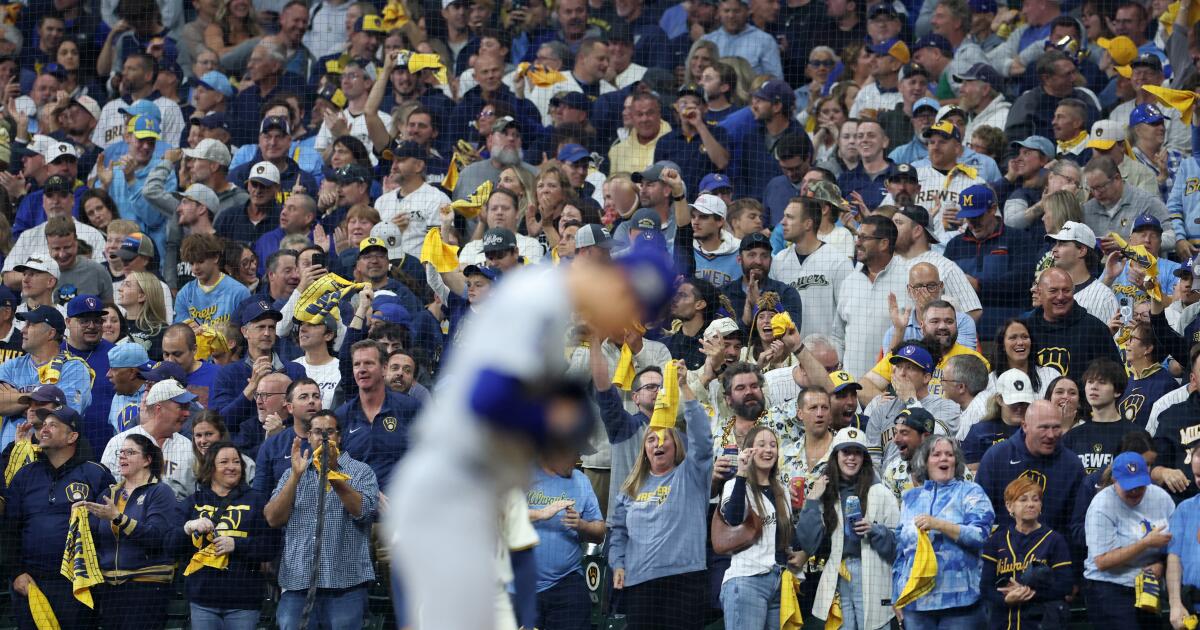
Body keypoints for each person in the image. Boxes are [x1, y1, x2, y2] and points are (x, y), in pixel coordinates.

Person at [608, 360, 711, 629]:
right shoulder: (631, 488)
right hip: (639, 583)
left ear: (676, 445)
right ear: (644, 450)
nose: (659, 443)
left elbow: (702, 439)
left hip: (684, 580)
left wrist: (684, 387)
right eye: (651, 439)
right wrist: (618, 564)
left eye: (665, 438)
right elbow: (618, 532)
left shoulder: (692, 474)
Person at [0, 406, 114, 628]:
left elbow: (109, 526)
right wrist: (15, 573)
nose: (44, 429)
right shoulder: (25, 475)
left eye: (53, 425)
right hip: (31, 582)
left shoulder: (95, 474)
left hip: (78, 584)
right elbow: (9, 530)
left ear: (72, 436)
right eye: (43, 425)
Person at [264, 409, 379, 629]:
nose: (323, 438)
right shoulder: (292, 473)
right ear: (309, 436)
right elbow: (272, 518)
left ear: (339, 436)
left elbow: (362, 510)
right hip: (298, 584)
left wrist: (333, 473)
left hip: (346, 586)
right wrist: (295, 477)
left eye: (329, 432)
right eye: (317, 431)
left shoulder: (361, 472)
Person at [796, 427, 899, 630]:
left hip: (872, 572)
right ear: (835, 456)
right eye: (846, 452)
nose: (851, 458)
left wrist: (875, 530)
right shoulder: (825, 492)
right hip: (837, 574)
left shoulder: (881, 493)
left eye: (857, 452)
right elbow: (808, 542)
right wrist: (812, 500)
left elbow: (899, 546)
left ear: (864, 458)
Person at [172, 441, 278, 630]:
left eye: (236, 462)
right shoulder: (194, 502)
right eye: (224, 462)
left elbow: (270, 546)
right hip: (202, 601)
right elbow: (169, 545)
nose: (231, 467)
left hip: (244, 602)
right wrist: (187, 527)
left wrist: (237, 544)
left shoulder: (257, 500)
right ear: (211, 467)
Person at [78, 433, 179, 629]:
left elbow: (157, 538)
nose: (122, 456)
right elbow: (95, 538)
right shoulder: (108, 494)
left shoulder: (160, 492)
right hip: (109, 588)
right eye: (121, 452)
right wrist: (80, 517)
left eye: (130, 452)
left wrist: (118, 518)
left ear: (147, 460)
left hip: (146, 586)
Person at [892, 436, 995, 629]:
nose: (944, 459)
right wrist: (896, 595)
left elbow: (980, 535)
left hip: (961, 603)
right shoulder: (910, 498)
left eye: (949, 454)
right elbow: (901, 551)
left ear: (956, 461)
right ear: (925, 461)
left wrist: (939, 524)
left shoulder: (971, 491)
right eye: (936, 454)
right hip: (915, 603)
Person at [717, 424, 799, 629]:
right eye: (760, 445)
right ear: (749, 450)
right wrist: (741, 473)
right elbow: (733, 519)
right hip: (746, 580)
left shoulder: (782, 491)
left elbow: (787, 538)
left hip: (778, 582)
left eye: (773, 445)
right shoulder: (736, 485)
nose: (768, 450)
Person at [1084, 451, 1175, 630]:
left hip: (1148, 587)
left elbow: (1175, 542)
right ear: (1114, 481)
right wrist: (1145, 543)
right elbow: (1102, 561)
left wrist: (1161, 564)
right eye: (1128, 486)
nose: (1135, 491)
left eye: (1140, 485)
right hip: (1109, 587)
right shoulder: (1101, 505)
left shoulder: (1161, 498)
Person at [975, 399, 1087, 537]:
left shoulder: (1072, 465)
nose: (1051, 435)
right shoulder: (996, 457)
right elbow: (980, 514)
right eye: (1044, 427)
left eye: (1056, 427)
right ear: (1025, 426)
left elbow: (1076, 525)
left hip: (1055, 554)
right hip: (1003, 552)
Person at [527, 445, 605, 630]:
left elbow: (600, 531)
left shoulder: (581, 481)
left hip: (566, 581)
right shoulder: (524, 474)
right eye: (573, 453)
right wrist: (541, 514)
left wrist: (582, 525)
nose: (577, 459)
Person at [980, 477, 1074, 630]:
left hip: (1042, 621)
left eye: (1035, 499)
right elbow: (986, 588)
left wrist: (1029, 593)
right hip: (1003, 621)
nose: (1031, 504)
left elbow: (1065, 586)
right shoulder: (996, 540)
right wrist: (1006, 599)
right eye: (1023, 500)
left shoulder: (1054, 540)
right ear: (1009, 506)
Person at [0, 305, 92, 449]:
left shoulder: (74, 368)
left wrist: (15, 398)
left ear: (50, 333)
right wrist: (41, 399)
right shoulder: (12, 366)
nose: (23, 330)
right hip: (9, 459)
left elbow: (63, 415)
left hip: (50, 458)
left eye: (30, 324)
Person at [101, 378, 198, 500]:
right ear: (159, 409)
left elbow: (193, 497)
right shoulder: (118, 443)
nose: (187, 413)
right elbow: (106, 492)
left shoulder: (187, 447)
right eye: (181, 407)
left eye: (188, 407)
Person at [1023, 267, 1123, 379]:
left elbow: (1116, 379)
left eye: (1066, 290)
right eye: (1053, 291)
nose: (1060, 297)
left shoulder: (1095, 329)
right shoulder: (1025, 329)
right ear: (1039, 293)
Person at [1064, 358, 1136, 474]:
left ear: (1117, 391)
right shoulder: (1072, 436)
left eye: (1102, 382)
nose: (1094, 387)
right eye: (1090, 381)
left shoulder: (1134, 435)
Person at [963, 369, 1036, 470]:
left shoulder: (1037, 430)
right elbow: (970, 472)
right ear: (999, 399)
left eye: (1024, 403)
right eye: (1014, 403)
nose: (1019, 408)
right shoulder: (980, 431)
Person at [1166, 435, 1200, 629]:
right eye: (1196, 475)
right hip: (1192, 609)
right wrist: (1175, 603)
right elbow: (1174, 559)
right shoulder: (1185, 510)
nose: (1199, 481)